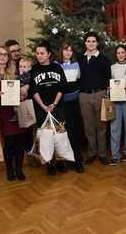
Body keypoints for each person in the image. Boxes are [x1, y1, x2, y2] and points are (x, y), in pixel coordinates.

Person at [0, 46, 26, 181]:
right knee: (9, 143)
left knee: (20, 142)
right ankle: (10, 170)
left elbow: (23, 87)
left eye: (5, 54)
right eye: (0, 54)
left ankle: (19, 169)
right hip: (2, 112)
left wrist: (22, 93)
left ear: (8, 57)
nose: (2, 56)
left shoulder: (14, 71)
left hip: (16, 110)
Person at [29, 42, 67, 175]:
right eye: (37, 53)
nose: (39, 56)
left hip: (57, 107)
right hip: (42, 109)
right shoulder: (34, 69)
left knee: (59, 136)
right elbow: (33, 91)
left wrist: (54, 104)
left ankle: (61, 161)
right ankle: (50, 163)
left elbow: (62, 87)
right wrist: (44, 106)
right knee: (46, 138)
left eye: (42, 53)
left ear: (49, 54)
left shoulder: (57, 68)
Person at [77, 32, 111, 165]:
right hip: (84, 96)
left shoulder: (104, 59)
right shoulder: (79, 59)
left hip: (100, 94)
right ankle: (92, 153)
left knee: (101, 126)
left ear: (97, 43)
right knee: (88, 127)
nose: (91, 43)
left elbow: (108, 79)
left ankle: (102, 154)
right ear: (85, 43)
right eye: (88, 41)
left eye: (93, 41)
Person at [57, 42, 85, 173]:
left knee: (74, 133)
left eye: (70, 50)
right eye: (65, 50)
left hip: (74, 104)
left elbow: (78, 82)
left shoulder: (76, 65)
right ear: (61, 51)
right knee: (62, 133)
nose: (68, 53)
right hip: (61, 104)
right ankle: (64, 162)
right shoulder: (56, 66)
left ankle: (77, 161)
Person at [110, 45, 126, 165]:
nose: (121, 55)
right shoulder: (112, 67)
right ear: (116, 54)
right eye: (118, 53)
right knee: (115, 128)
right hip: (115, 100)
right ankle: (114, 155)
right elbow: (109, 83)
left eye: (123, 52)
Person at [17, 58, 38, 167]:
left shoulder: (30, 76)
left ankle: (33, 155)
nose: (22, 69)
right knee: (25, 132)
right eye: (20, 66)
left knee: (31, 132)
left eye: (24, 67)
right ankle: (28, 155)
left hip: (30, 106)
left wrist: (27, 86)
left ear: (30, 68)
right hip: (20, 105)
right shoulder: (18, 76)